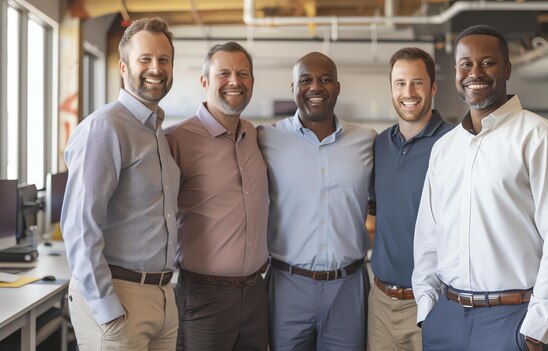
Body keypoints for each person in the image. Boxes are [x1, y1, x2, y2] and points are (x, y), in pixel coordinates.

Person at [411, 24, 548, 351]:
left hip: (513, 321)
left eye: (487, 62)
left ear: (507, 68)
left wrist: (535, 332)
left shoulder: (542, 139)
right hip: (445, 319)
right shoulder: (444, 149)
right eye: (465, 63)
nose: (474, 72)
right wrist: (428, 311)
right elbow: (428, 238)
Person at [61, 18, 180, 350]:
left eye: (164, 59)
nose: (156, 68)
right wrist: (106, 309)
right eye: (145, 59)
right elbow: (80, 225)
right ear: (124, 67)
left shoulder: (156, 131)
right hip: (119, 298)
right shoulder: (106, 128)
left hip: (163, 298)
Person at [257, 52, 376, 351]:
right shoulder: (266, 139)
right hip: (287, 286)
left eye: (325, 80)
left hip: (347, 288)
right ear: (293, 87)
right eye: (306, 80)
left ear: (338, 86)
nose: (316, 87)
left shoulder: (367, 141)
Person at [165, 42, 269, 350]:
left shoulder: (254, 135)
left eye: (243, 73)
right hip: (203, 298)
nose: (235, 81)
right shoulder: (176, 140)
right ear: (205, 82)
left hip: (255, 294)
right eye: (224, 73)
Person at [368, 47, 452, 350]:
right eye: (400, 83)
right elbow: (377, 214)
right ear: (391, 89)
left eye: (417, 82)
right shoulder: (381, 144)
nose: (408, 92)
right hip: (379, 301)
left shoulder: (454, 144)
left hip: (432, 303)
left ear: (432, 87)